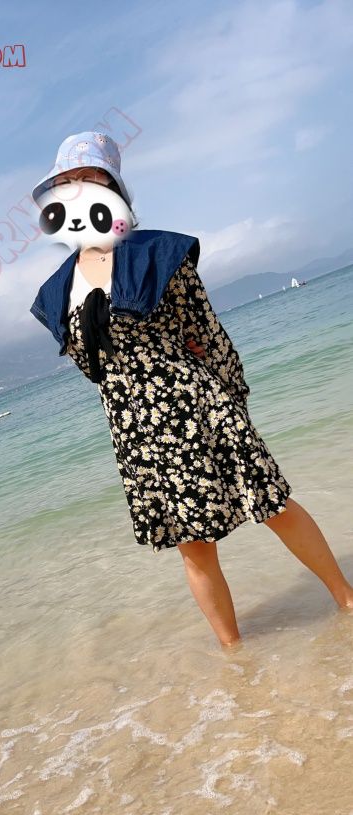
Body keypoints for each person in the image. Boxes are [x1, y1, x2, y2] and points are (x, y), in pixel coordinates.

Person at [30, 132, 353, 648]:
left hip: (200, 405)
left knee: (272, 503)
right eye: (67, 183)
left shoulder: (159, 254)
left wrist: (234, 403)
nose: (77, 189)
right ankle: (234, 655)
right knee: (193, 546)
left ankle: (346, 599)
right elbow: (95, 369)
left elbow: (207, 334)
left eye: (89, 177)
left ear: (112, 187)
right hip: (138, 434)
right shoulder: (56, 291)